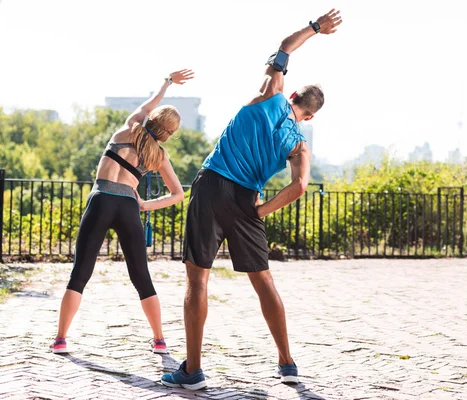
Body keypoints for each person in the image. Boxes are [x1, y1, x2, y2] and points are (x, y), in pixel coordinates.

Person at [161, 10, 343, 391]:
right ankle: (287, 363)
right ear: (308, 116)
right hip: (246, 201)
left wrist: (315, 28)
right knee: (264, 282)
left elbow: (284, 48)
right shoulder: (299, 143)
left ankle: (192, 372)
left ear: (293, 95)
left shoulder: (271, 93)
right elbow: (298, 188)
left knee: (198, 279)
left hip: (212, 186)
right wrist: (260, 210)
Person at [50, 69, 194, 355]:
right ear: (170, 133)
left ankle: (61, 339)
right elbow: (178, 194)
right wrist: (144, 205)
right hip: (128, 205)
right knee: (141, 276)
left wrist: (167, 82)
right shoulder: (159, 155)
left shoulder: (127, 129)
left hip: (101, 199)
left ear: (153, 119)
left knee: (80, 272)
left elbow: (148, 103)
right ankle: (159, 340)